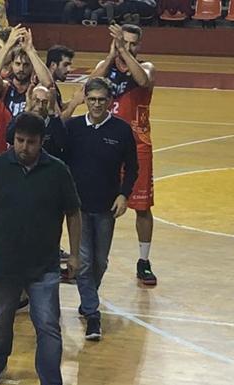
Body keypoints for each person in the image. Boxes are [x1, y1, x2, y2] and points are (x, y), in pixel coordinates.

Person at [0, 112, 81, 385]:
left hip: (43, 266)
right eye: (19, 140)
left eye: (31, 142)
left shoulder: (58, 171)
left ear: (42, 142)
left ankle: (51, 379)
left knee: (48, 326)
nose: (24, 147)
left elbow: (73, 213)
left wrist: (75, 254)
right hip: (2, 264)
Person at [64, 77, 138, 340]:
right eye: (92, 99)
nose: (96, 104)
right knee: (84, 262)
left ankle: (87, 300)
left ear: (110, 102)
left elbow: (133, 167)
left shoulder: (121, 130)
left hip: (107, 207)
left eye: (101, 100)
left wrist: (123, 195)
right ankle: (93, 315)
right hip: (78, 208)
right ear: (85, 99)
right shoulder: (72, 128)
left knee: (100, 261)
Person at [91, 23, 158, 286]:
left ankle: (144, 260)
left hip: (138, 143)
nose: (128, 47)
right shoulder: (106, 67)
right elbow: (90, 85)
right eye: (124, 43)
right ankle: (97, 260)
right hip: (108, 144)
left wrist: (123, 52)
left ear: (139, 46)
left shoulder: (147, 67)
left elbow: (143, 80)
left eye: (133, 44)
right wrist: (111, 55)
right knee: (102, 206)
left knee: (142, 208)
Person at [0, 25, 54, 119]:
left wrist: (30, 51)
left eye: (26, 65)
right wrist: (7, 46)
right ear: (12, 64)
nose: (21, 69)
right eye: (18, 64)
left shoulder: (35, 89)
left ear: (32, 66)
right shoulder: (5, 87)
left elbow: (48, 84)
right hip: (8, 132)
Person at [44, 45, 85, 120]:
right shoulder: (45, 88)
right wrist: (74, 103)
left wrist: (76, 99)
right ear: (53, 65)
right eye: (65, 65)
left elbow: (59, 108)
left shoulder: (53, 85)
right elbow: (59, 122)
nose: (69, 69)